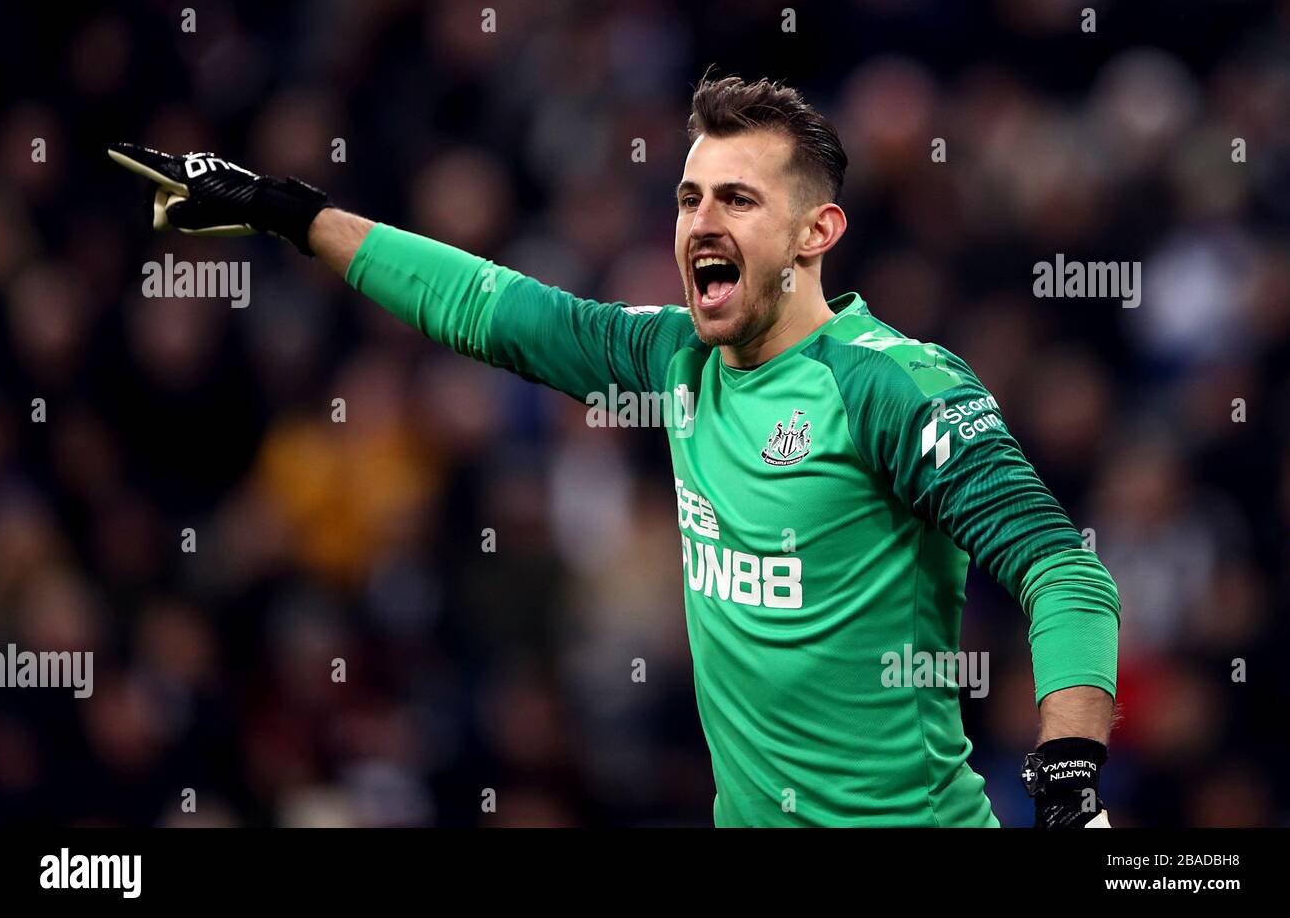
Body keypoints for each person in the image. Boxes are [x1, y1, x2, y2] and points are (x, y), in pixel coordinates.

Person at [109, 73, 1119, 828]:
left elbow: (1061, 570)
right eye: (688, 198)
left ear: (817, 231)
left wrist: (1069, 765)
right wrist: (292, 213)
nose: (699, 223)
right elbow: (484, 306)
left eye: (736, 199)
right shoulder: (672, 356)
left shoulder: (894, 385)